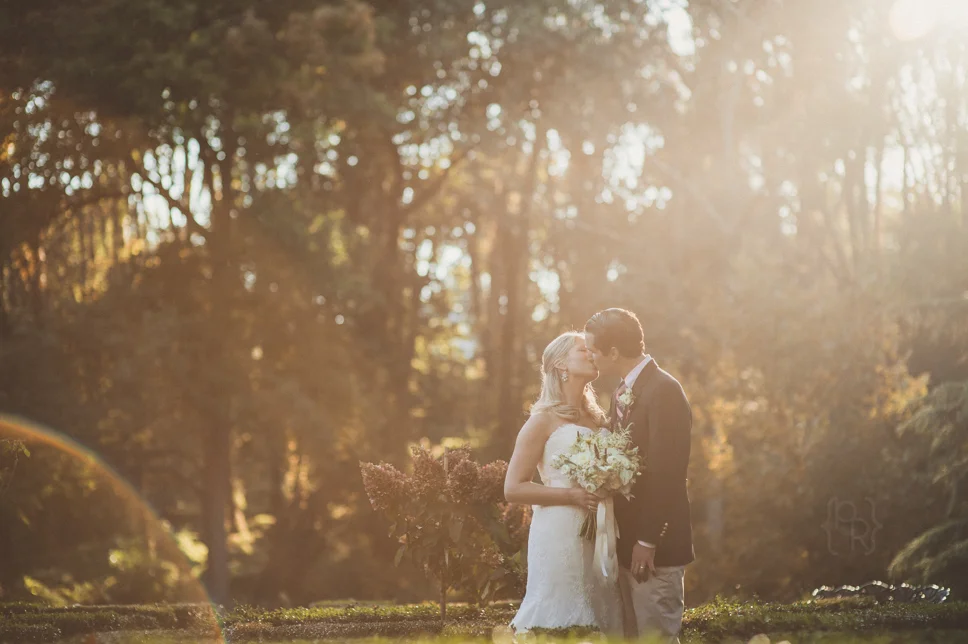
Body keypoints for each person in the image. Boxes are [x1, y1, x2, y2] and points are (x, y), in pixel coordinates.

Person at [585, 308, 695, 643]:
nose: (590, 356)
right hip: (625, 544)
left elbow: (668, 474)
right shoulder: (621, 391)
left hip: (654, 549)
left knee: (656, 637)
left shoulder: (664, 390)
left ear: (614, 352)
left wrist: (647, 541)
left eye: (593, 349)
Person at [503, 331, 623, 635]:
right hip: (560, 531)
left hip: (600, 529)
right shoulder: (541, 420)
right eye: (583, 350)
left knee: (602, 614)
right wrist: (572, 495)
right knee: (561, 617)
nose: (591, 353)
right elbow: (513, 488)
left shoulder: (599, 419)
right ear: (561, 365)